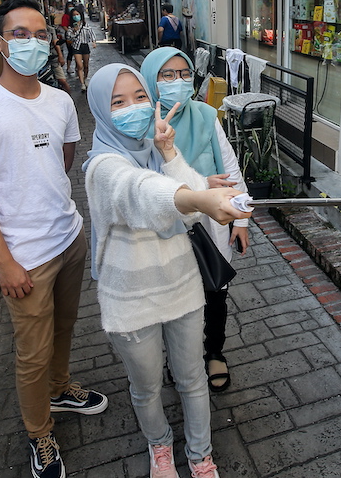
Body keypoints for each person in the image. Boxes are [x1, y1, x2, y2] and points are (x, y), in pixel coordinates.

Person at [0, 0, 107, 478]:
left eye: (41, 34)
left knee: (64, 329)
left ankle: (61, 388)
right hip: (25, 256)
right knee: (31, 352)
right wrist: (5, 260)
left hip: (68, 237)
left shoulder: (61, 101)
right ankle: (39, 432)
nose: (33, 42)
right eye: (20, 34)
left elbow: (60, 164)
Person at [84, 64, 250, 478]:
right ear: (100, 112)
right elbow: (139, 192)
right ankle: (159, 447)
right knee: (146, 387)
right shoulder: (101, 166)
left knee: (192, 377)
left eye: (140, 97)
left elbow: (190, 197)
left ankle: (200, 455)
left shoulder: (156, 148)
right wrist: (196, 197)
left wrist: (170, 153)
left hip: (181, 284)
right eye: (117, 102)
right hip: (131, 299)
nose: (133, 108)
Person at [140, 48, 249, 392]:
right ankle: (179, 357)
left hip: (211, 224)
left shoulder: (205, 114)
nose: (178, 82)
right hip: (165, 230)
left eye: (185, 74)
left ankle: (213, 351)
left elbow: (229, 168)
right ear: (151, 80)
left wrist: (242, 220)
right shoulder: (140, 123)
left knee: (214, 291)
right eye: (167, 75)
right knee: (173, 296)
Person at [69, 11, 96, 91]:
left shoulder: (86, 25)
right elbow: (70, 37)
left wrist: (93, 42)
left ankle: (85, 78)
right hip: (76, 47)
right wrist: (74, 31)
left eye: (77, 14)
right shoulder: (71, 27)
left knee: (86, 66)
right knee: (80, 66)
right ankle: (82, 84)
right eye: (74, 15)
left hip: (85, 46)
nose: (76, 16)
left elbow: (91, 33)